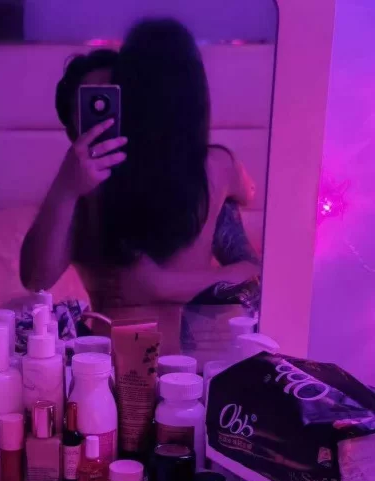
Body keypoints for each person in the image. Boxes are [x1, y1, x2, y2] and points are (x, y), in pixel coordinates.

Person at [20, 19, 260, 352]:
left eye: (115, 97)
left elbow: (252, 274)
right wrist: (66, 187)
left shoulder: (207, 169)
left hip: (190, 365)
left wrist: (162, 285)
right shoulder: (85, 186)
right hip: (110, 365)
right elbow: (36, 279)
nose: (106, 116)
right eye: (92, 104)